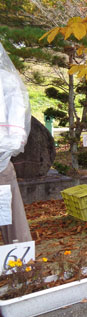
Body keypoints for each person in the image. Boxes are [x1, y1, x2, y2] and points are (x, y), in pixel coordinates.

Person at [0, 43, 32, 244]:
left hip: (1, 158)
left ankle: (18, 261)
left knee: (10, 214)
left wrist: (8, 146)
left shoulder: (6, 79)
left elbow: (18, 112)